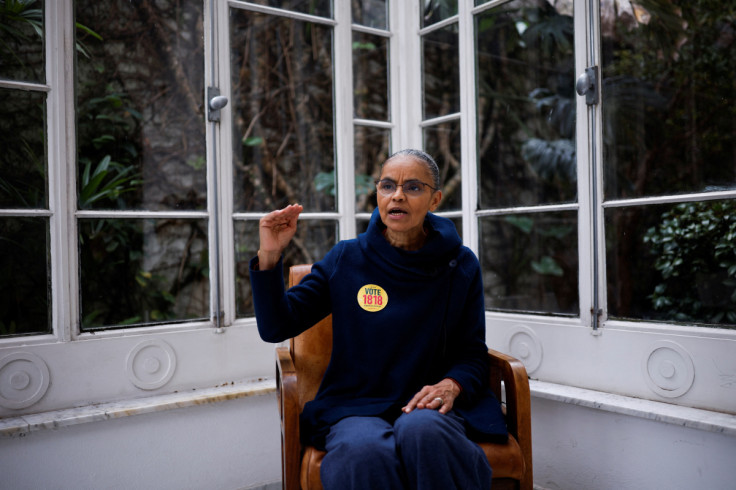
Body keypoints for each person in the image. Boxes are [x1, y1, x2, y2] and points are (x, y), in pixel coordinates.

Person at [250, 149, 507, 489]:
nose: (397, 195)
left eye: (413, 187)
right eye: (388, 186)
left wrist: (452, 385)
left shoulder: (460, 264)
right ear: (378, 194)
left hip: (427, 405)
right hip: (356, 405)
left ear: (435, 199)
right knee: (362, 451)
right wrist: (270, 255)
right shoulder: (347, 257)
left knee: (423, 431)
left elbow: (471, 351)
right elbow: (276, 327)